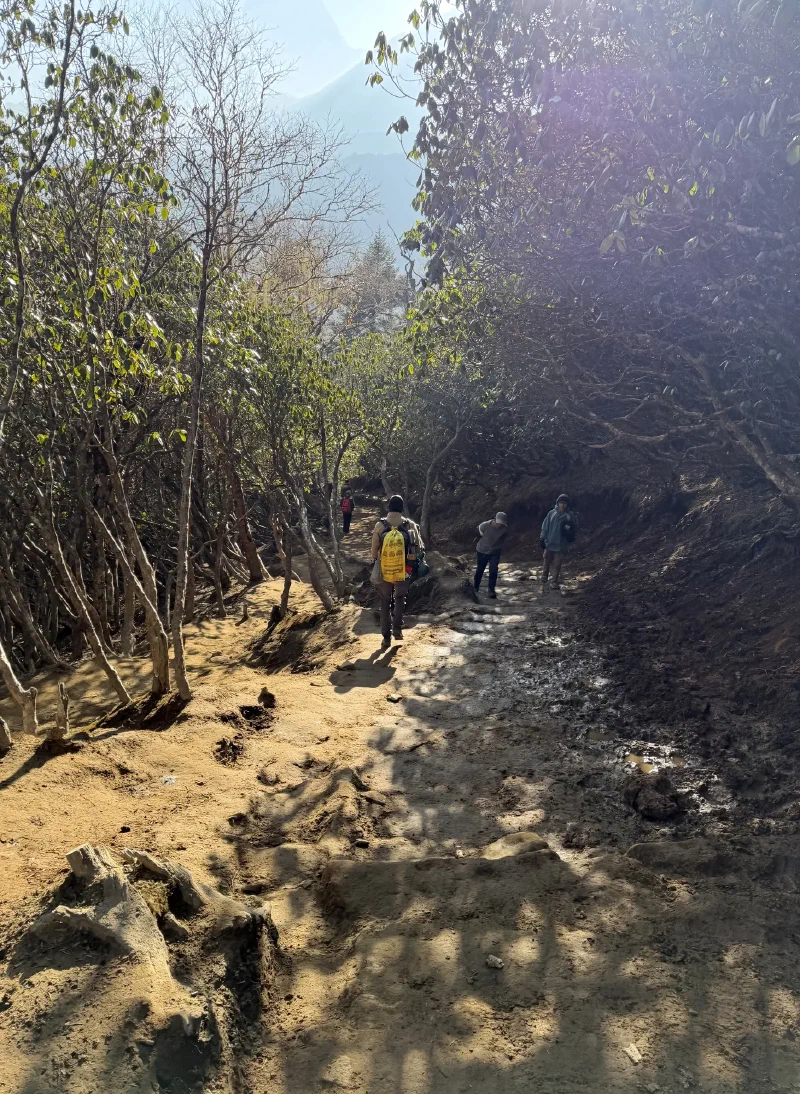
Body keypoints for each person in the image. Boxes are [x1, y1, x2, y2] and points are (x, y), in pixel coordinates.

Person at [371, 495, 424, 649]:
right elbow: (418, 547)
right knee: (400, 597)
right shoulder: (410, 525)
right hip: (404, 569)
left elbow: (374, 550)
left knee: (385, 601)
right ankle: (397, 629)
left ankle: (386, 637)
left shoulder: (380, 525)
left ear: (389, 507)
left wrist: (375, 560)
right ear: (402, 508)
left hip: (385, 568)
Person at [539, 493, 577, 589]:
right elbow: (545, 527)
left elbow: (574, 527)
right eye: (561, 503)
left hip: (561, 544)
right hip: (550, 542)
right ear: (557, 503)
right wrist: (542, 538)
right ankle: (544, 575)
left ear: (567, 504)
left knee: (558, 564)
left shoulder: (570, 515)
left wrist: (570, 532)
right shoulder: (551, 513)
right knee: (547, 560)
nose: (562, 505)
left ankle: (554, 581)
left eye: (564, 503)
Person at [474, 512, 508, 599]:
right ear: (494, 519)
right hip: (482, 550)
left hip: (495, 551)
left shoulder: (504, 529)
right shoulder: (484, 525)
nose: (499, 525)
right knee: (480, 569)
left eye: (501, 524)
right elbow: (477, 534)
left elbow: (503, 539)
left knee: (493, 570)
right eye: (498, 523)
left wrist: (498, 548)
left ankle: (491, 590)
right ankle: (475, 587)